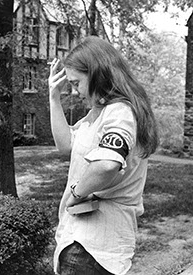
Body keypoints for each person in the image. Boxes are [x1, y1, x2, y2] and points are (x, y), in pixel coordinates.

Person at [48, 36, 159, 275]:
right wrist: (53, 98)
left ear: (96, 74)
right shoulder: (99, 114)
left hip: (91, 246)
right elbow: (66, 145)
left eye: (76, 83)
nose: (75, 92)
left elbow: (107, 165)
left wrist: (76, 194)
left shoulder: (119, 112)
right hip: (87, 243)